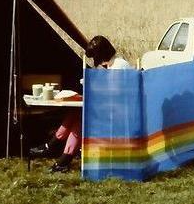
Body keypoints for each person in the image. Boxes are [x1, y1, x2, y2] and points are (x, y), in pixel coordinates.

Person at [30, 35, 131, 173]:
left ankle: (56, 151)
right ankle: (58, 153)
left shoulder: (119, 66)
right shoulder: (112, 65)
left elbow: (116, 94)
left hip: (120, 114)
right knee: (76, 114)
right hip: (111, 109)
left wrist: (94, 86)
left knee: (81, 120)